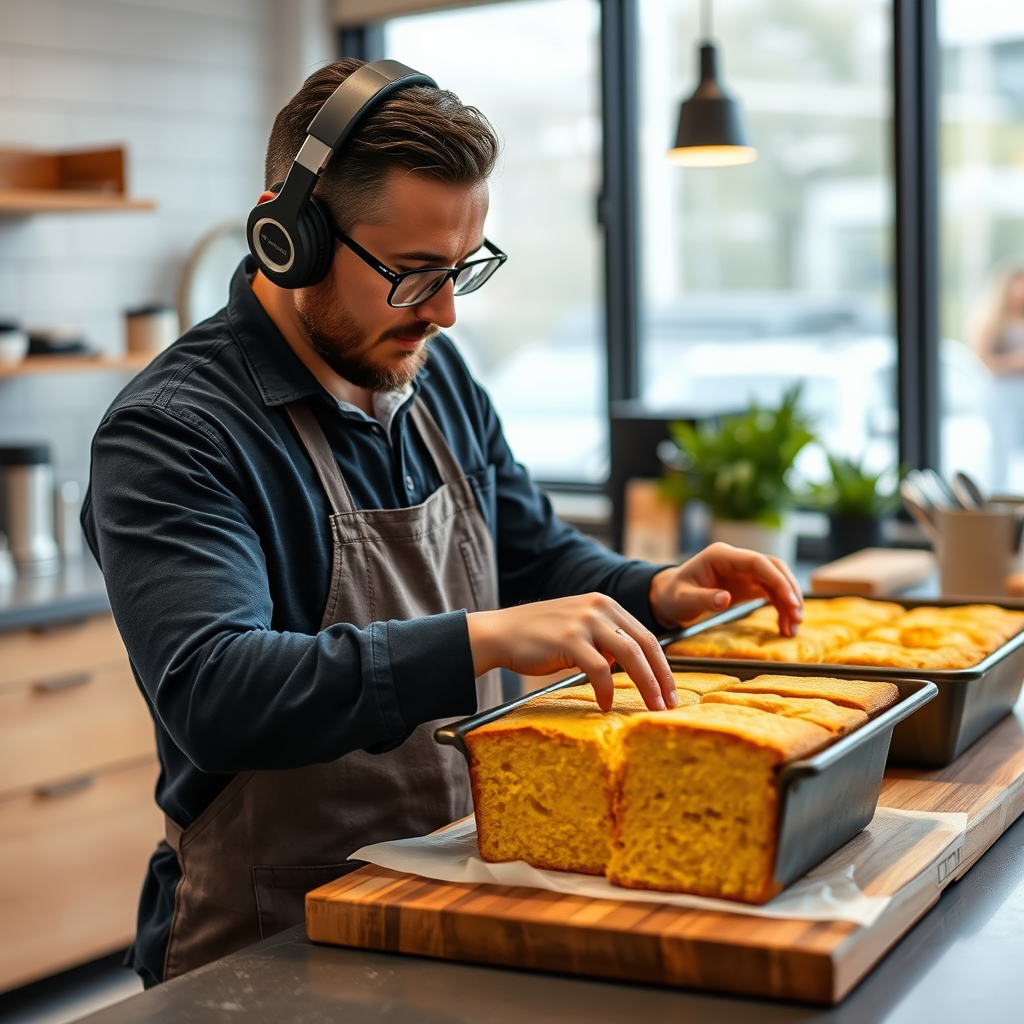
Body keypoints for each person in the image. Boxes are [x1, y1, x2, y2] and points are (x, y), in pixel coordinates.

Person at [82, 58, 803, 987]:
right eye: (414, 274)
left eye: (465, 270)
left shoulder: (433, 377)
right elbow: (218, 694)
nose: (447, 311)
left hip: (460, 892)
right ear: (286, 236)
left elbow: (530, 552)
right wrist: (480, 639)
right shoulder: (176, 431)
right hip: (268, 945)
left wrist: (654, 591)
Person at [969, 265, 1024, 491]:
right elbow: (983, 361)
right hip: (1000, 392)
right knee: (1000, 450)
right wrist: (1018, 360)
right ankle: (998, 499)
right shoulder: (992, 318)